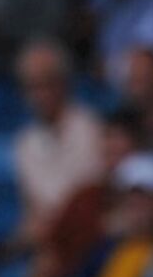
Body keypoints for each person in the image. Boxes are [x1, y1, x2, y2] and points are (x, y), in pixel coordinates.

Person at [11, 38, 106, 250]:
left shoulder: (93, 128)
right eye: (32, 87)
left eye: (47, 83)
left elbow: (94, 198)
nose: (40, 95)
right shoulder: (24, 144)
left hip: (89, 236)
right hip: (49, 243)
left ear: (64, 82)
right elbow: (32, 212)